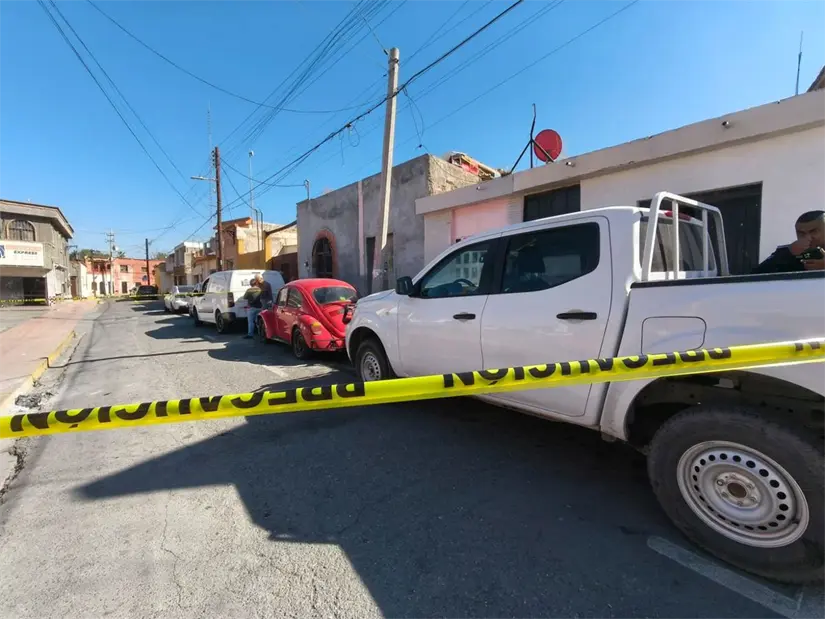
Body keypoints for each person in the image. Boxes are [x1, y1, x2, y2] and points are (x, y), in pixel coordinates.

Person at [752, 210, 825, 274]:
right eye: (801, 233)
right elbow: (755, 276)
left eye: (813, 231)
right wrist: (788, 253)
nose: (807, 237)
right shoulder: (789, 253)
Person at [243, 274, 273, 339]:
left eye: (257, 279)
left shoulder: (266, 285)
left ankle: (253, 334)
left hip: (261, 305)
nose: (257, 281)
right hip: (260, 306)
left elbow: (269, 295)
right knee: (258, 320)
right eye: (256, 280)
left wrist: (270, 303)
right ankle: (261, 333)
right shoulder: (259, 287)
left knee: (252, 321)